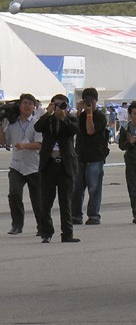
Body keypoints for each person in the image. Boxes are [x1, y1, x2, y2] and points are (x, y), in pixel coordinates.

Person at [33, 94, 79, 243]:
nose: (59, 107)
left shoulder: (70, 119)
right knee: (45, 201)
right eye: (56, 104)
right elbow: (37, 127)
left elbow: (73, 130)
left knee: (66, 202)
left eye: (62, 105)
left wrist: (63, 117)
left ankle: (67, 234)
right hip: (49, 164)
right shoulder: (47, 120)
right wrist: (48, 113)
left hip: (65, 165)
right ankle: (46, 232)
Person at [4, 94, 43, 236]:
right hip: (17, 165)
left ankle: (42, 226)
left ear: (34, 107)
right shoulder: (12, 123)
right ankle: (17, 225)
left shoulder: (37, 123)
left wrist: (24, 145)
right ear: (19, 106)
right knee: (14, 195)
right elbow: (4, 142)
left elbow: (39, 144)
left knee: (37, 198)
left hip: (34, 166)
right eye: (24, 103)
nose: (27, 106)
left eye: (30, 104)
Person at [73, 87, 110, 226]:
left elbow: (90, 130)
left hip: (95, 157)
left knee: (94, 188)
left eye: (92, 100)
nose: (89, 103)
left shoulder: (100, 116)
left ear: (96, 100)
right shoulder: (81, 116)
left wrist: (89, 114)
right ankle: (76, 215)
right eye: (86, 100)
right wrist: (79, 113)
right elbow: (74, 130)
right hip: (80, 156)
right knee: (77, 189)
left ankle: (94, 215)